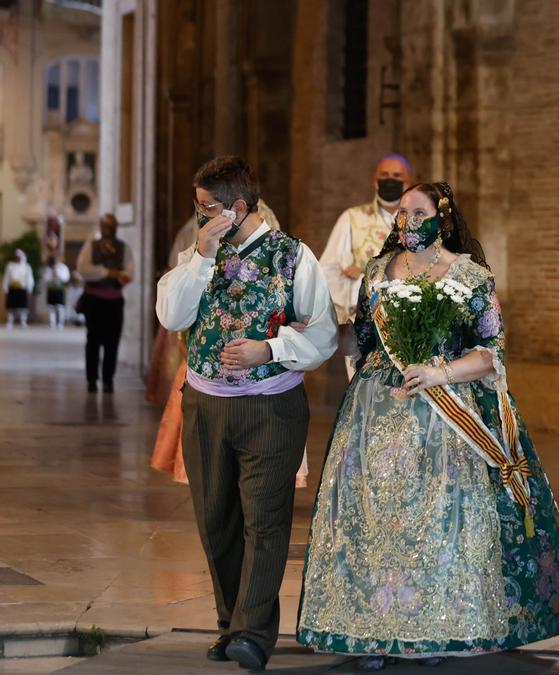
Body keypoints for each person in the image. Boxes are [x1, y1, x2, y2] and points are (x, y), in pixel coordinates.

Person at [298, 182, 559, 669]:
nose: (408, 220)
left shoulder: (470, 276)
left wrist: (438, 372)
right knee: (372, 526)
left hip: (447, 415)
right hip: (376, 415)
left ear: (443, 217)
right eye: (403, 213)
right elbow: (365, 342)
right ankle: (371, 631)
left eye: (419, 211)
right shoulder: (376, 271)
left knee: (439, 522)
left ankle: (437, 630)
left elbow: (493, 353)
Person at [156, 156, 337, 671]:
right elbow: (172, 315)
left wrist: (270, 348)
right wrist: (201, 257)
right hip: (204, 405)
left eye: (205, 209)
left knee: (265, 520)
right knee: (216, 519)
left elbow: (321, 333)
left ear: (237, 208)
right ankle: (229, 622)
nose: (198, 217)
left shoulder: (292, 256)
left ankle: (253, 634)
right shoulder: (198, 255)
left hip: (271, 408)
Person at [148, 199, 309, 487]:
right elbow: (179, 282)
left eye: (207, 202)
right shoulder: (200, 224)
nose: (203, 210)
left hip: (265, 377)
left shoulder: (276, 237)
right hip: (209, 365)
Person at [319, 153, 411, 378]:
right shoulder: (351, 218)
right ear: (375, 180)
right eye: (385, 175)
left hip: (408, 323)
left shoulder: (417, 221)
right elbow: (326, 271)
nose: (391, 179)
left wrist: (365, 273)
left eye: (397, 175)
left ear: (407, 183)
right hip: (364, 325)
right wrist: (350, 282)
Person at [77, 214, 135, 392]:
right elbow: (83, 268)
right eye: (105, 225)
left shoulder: (123, 248)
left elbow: (129, 272)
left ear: (116, 227)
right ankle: (92, 379)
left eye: (112, 226)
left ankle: (108, 379)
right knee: (93, 340)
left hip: (114, 302)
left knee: (112, 342)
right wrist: (105, 272)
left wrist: (121, 276)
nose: (108, 229)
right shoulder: (91, 246)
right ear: (101, 226)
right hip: (94, 301)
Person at [4, 249, 35, 329]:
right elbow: (6, 278)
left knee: (23, 307)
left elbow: (30, 278)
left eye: (20, 257)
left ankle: (23, 321)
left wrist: (30, 288)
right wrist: (5, 288)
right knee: (11, 307)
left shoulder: (27, 267)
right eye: (17, 257)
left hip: (22, 288)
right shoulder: (10, 265)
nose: (18, 258)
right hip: (13, 288)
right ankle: (10, 322)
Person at [42, 254, 70, 330]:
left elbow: (66, 278)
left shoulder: (63, 268)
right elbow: (45, 280)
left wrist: (58, 275)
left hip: (59, 289)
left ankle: (60, 323)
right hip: (51, 289)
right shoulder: (48, 269)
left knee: (60, 307)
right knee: (51, 308)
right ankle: (52, 323)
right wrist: (52, 275)